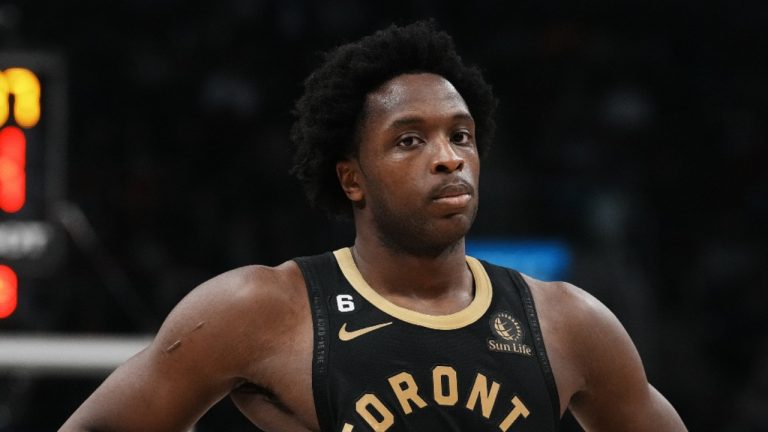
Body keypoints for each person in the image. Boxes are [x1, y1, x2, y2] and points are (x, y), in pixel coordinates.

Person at [61, 21, 687, 432]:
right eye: (409, 139)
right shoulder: (259, 309)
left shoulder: (568, 322)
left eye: (460, 136)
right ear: (352, 178)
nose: (447, 157)